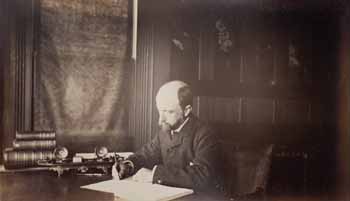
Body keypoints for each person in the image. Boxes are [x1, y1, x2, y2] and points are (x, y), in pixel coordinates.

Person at [115, 80, 220, 191]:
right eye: (160, 111)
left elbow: (201, 175)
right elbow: (147, 154)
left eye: (169, 112)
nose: (161, 120)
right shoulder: (167, 128)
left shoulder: (205, 134)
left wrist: (155, 175)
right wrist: (129, 165)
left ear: (186, 110)